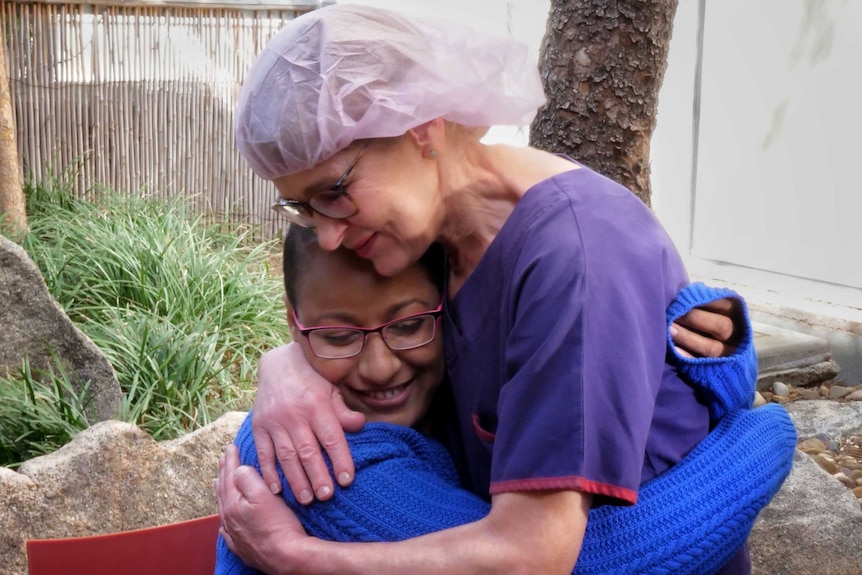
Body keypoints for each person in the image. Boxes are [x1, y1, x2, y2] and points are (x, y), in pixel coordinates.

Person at [218, 5, 790, 573]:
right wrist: (286, 365)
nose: (329, 234)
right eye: (303, 207)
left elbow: (532, 555)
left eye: (335, 192)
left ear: (420, 124)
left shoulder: (575, 256)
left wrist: (299, 558)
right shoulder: (429, 240)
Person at [213, 226, 796, 575]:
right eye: (337, 336)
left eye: (410, 323)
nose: (379, 364)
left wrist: (718, 361)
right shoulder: (318, 454)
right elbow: (582, 563)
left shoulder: (438, 394)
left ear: (449, 306)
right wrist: (764, 438)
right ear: (295, 323)